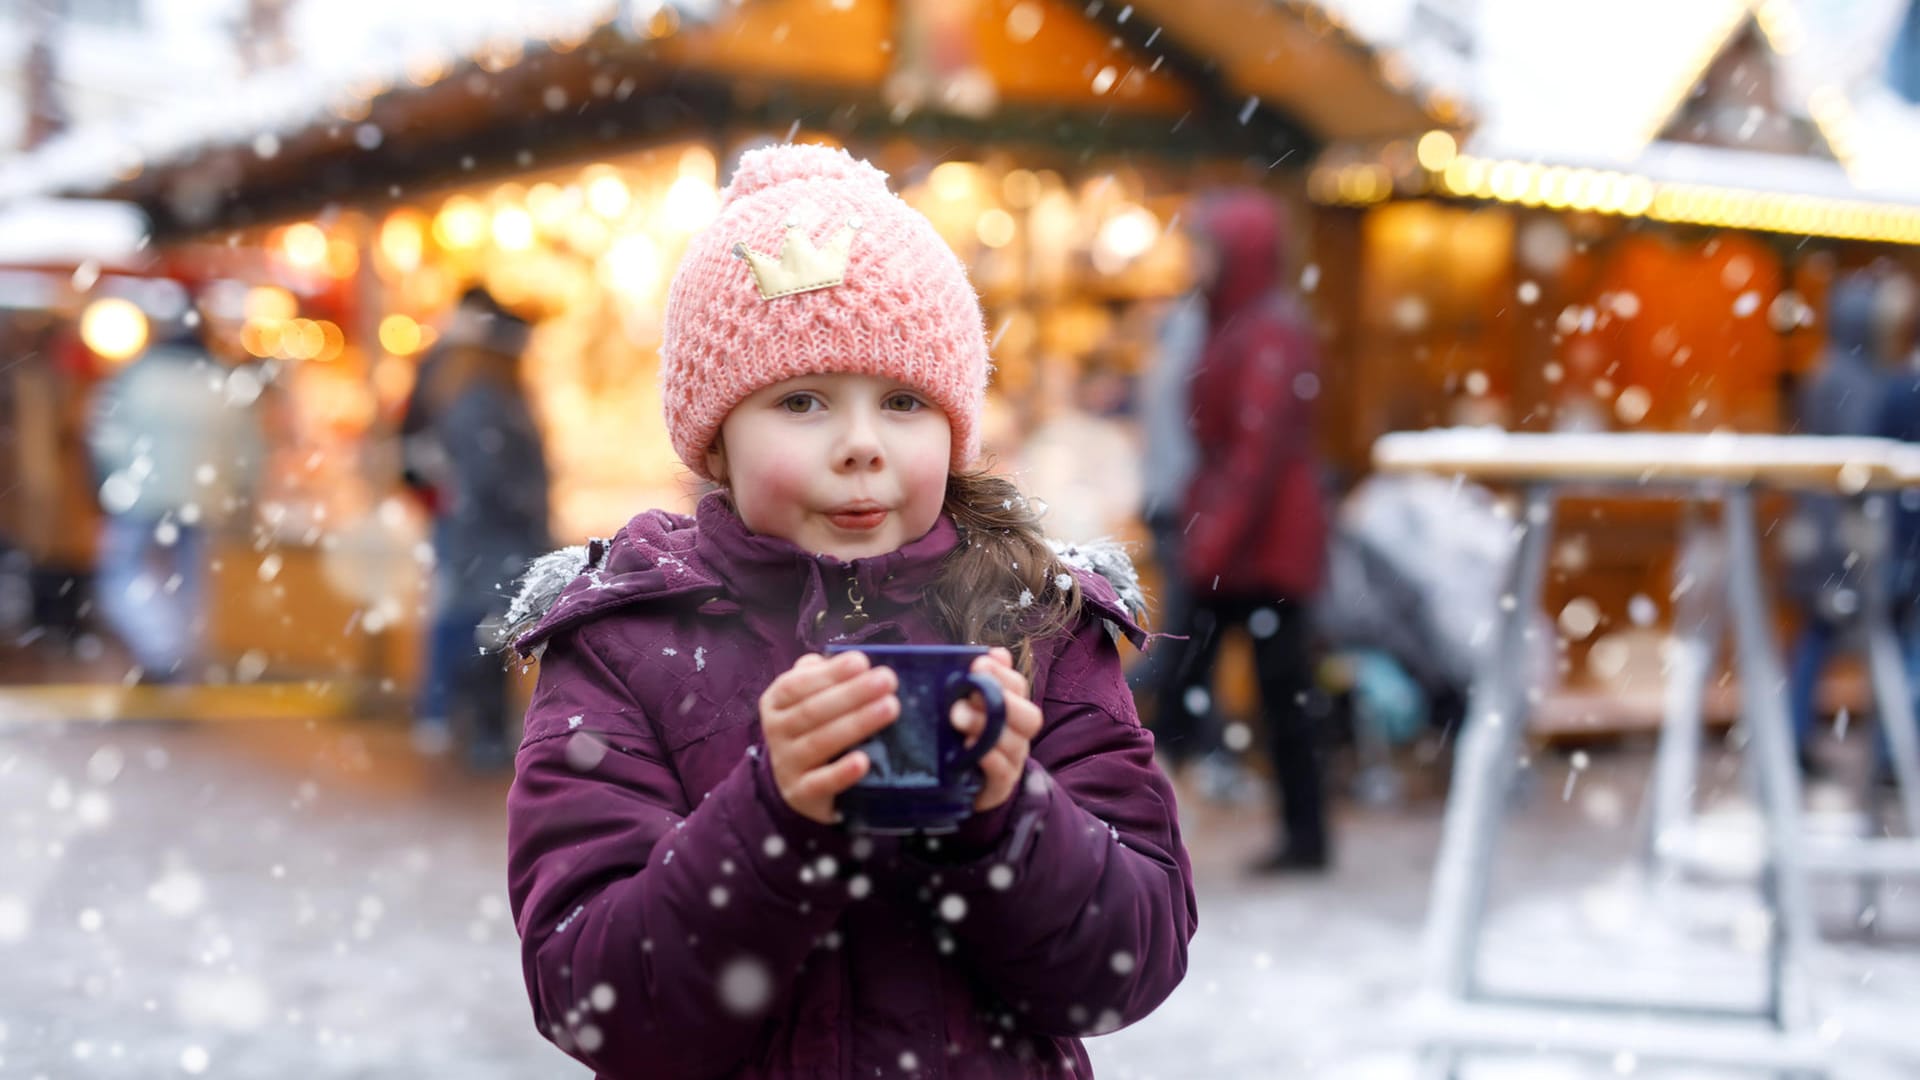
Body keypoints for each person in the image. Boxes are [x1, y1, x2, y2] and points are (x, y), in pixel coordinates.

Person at [498, 145, 1194, 1078]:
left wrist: (1005, 814)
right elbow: (592, 1000)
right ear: (716, 443)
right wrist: (773, 815)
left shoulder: (1036, 622)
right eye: (803, 401)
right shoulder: (628, 646)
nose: (862, 445)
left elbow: (1131, 960)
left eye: (904, 401)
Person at [1165, 188, 1331, 874]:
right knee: (1208, 687)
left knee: (1257, 693)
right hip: (1248, 544)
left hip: (1262, 548)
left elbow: (1254, 453)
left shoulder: (1265, 329)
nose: (1195, 261)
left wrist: (1209, 541)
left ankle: (1303, 836)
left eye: (1206, 247)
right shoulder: (1239, 321)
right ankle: (1299, 834)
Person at [86, 303, 263, 682]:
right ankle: (181, 659)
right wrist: (239, 493)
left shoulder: (138, 376)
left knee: (125, 575)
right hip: (204, 499)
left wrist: (104, 482)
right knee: (191, 584)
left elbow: (106, 436)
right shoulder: (223, 382)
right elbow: (249, 452)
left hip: (141, 496)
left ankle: (163, 652)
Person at [411, 299, 550, 768]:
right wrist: (526, 504)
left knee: (487, 625)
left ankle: (476, 726)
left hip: (487, 534)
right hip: (495, 535)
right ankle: (481, 731)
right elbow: (491, 475)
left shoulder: (477, 394)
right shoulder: (486, 400)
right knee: (488, 628)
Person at [1784, 272, 1889, 775]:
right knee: (1850, 637)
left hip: (1817, 527)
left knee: (1817, 637)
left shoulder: (1824, 370)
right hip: (1842, 533)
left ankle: (1796, 734)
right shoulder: (1852, 379)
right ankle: (1884, 753)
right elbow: (1860, 465)